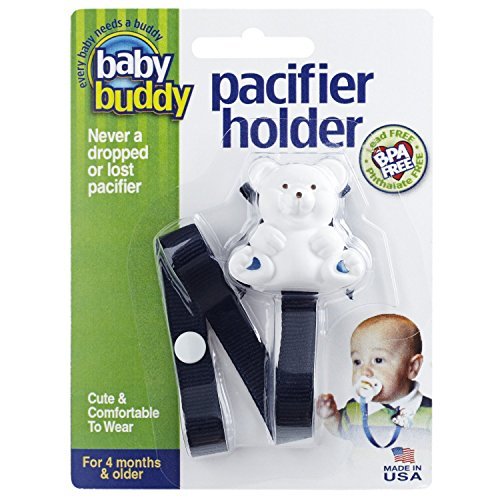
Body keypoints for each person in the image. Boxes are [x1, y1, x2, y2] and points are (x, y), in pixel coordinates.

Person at [317, 314, 431, 448]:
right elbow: (340, 430)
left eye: (378, 360)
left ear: (412, 367)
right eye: (357, 362)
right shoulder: (355, 409)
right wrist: (330, 417)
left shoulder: (429, 413)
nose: (364, 372)